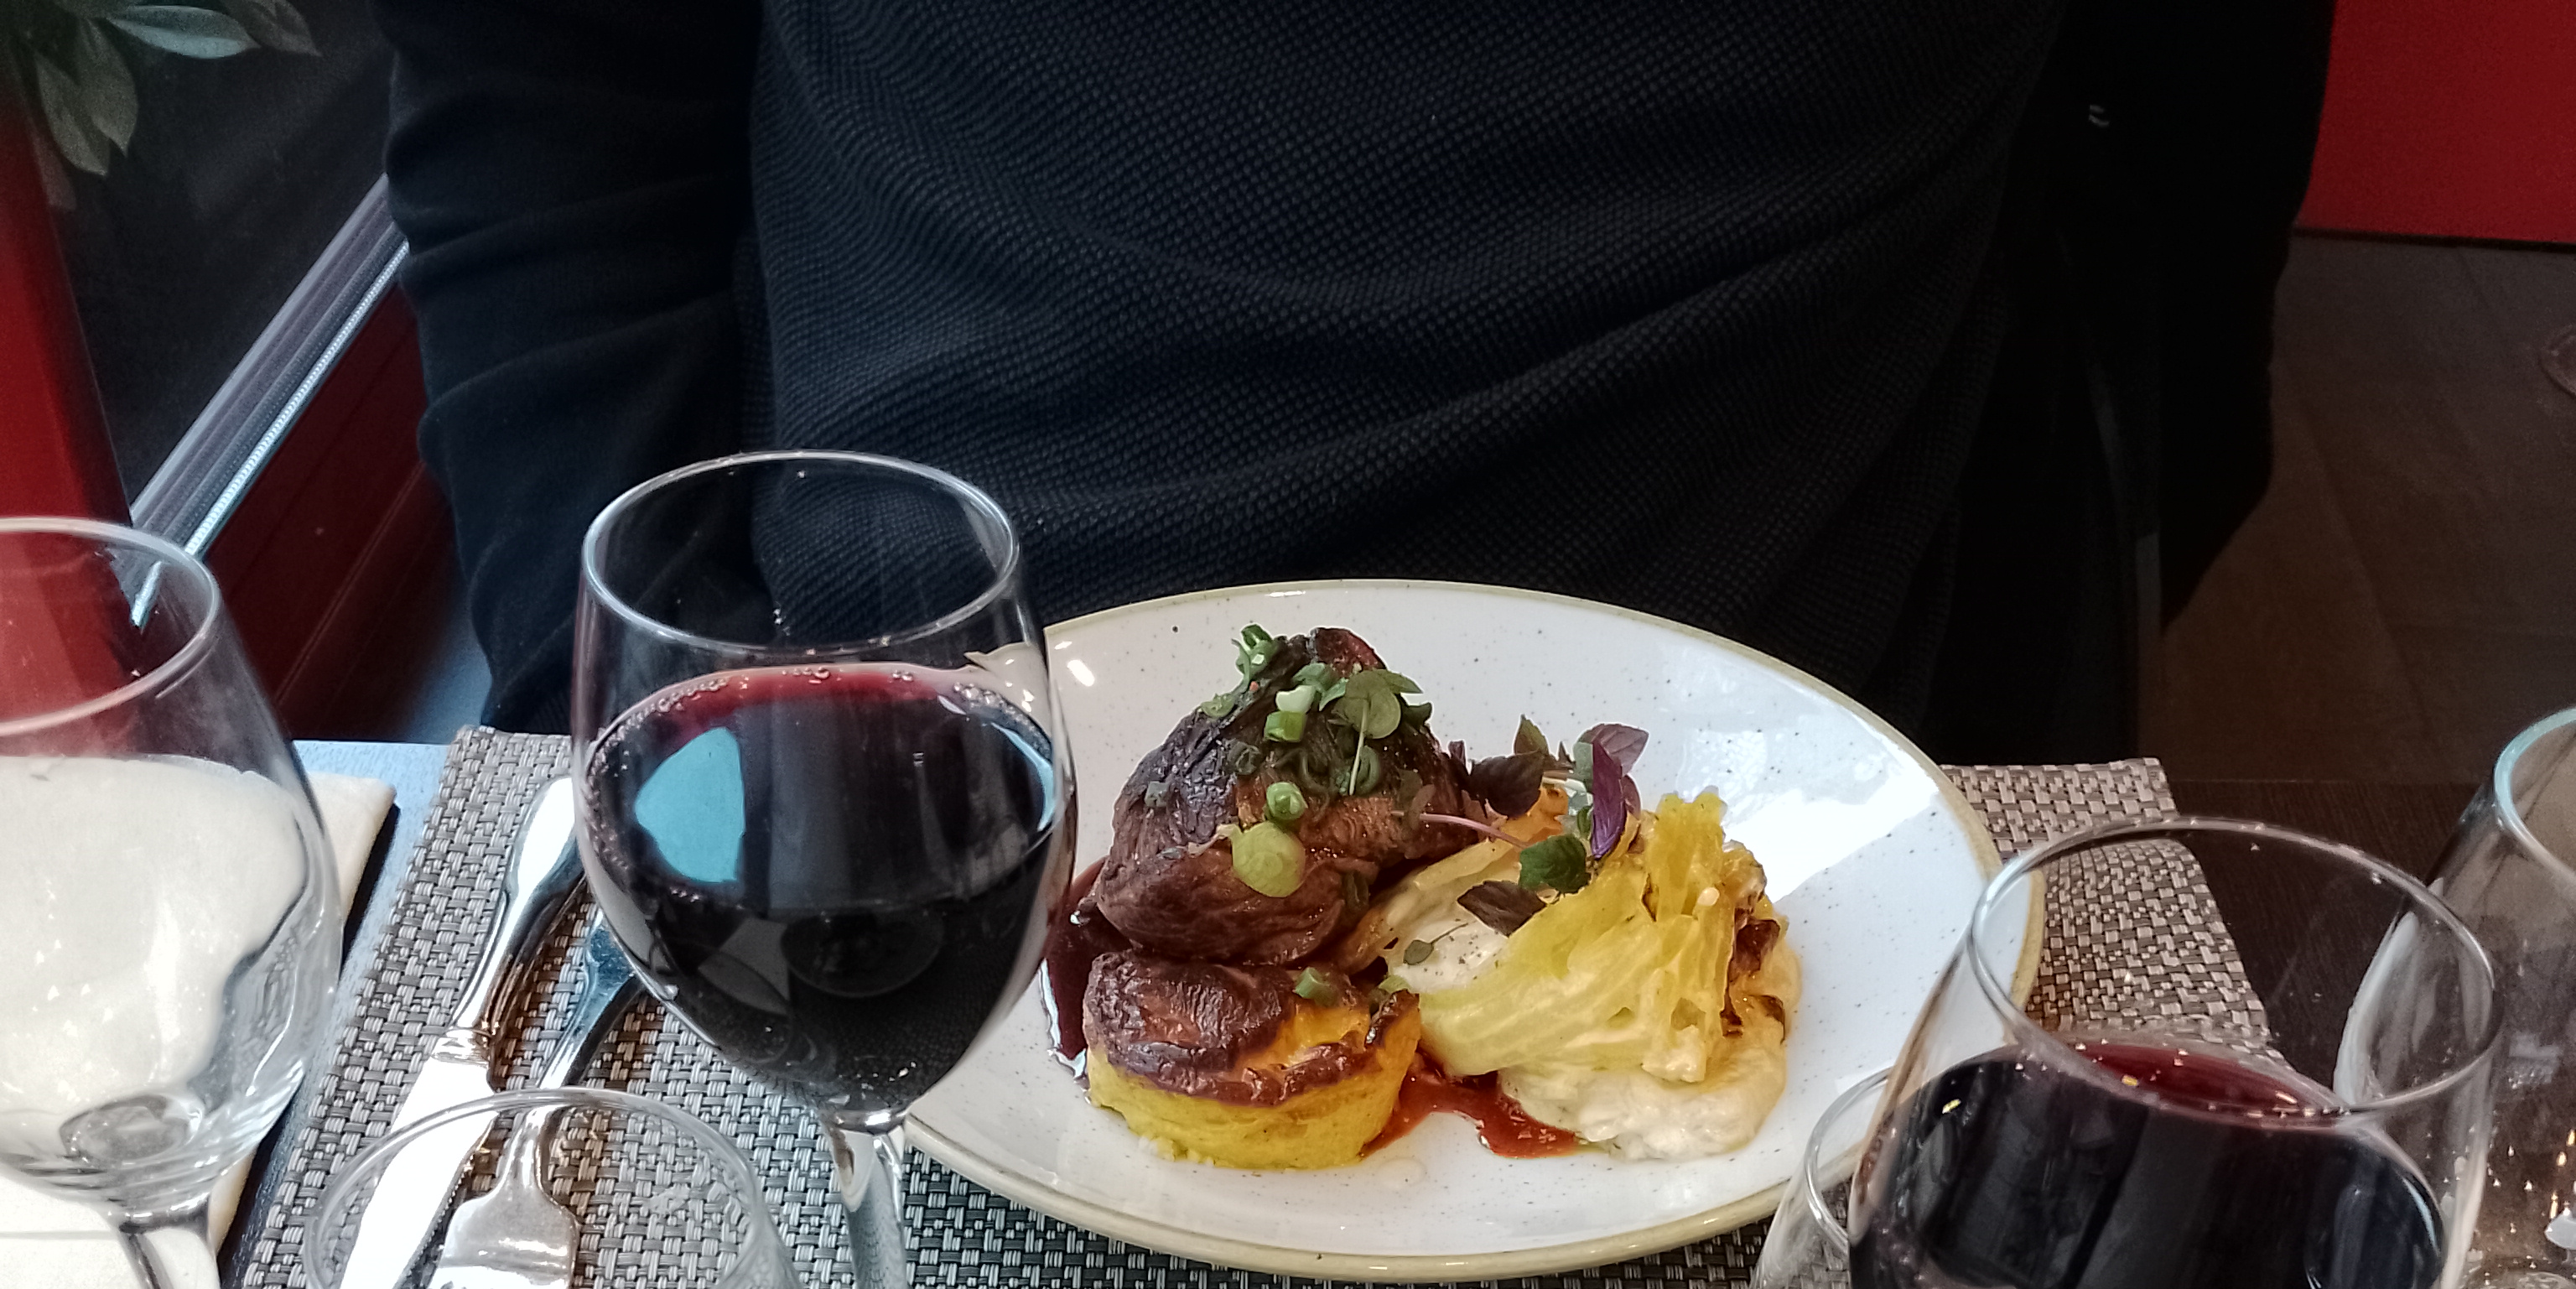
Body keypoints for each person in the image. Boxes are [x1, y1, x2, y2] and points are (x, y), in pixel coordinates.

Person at [374, 0, 2326, 761]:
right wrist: (636, 709)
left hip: (1802, 787)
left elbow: (2180, 167)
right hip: (905, 735)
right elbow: (550, 92)